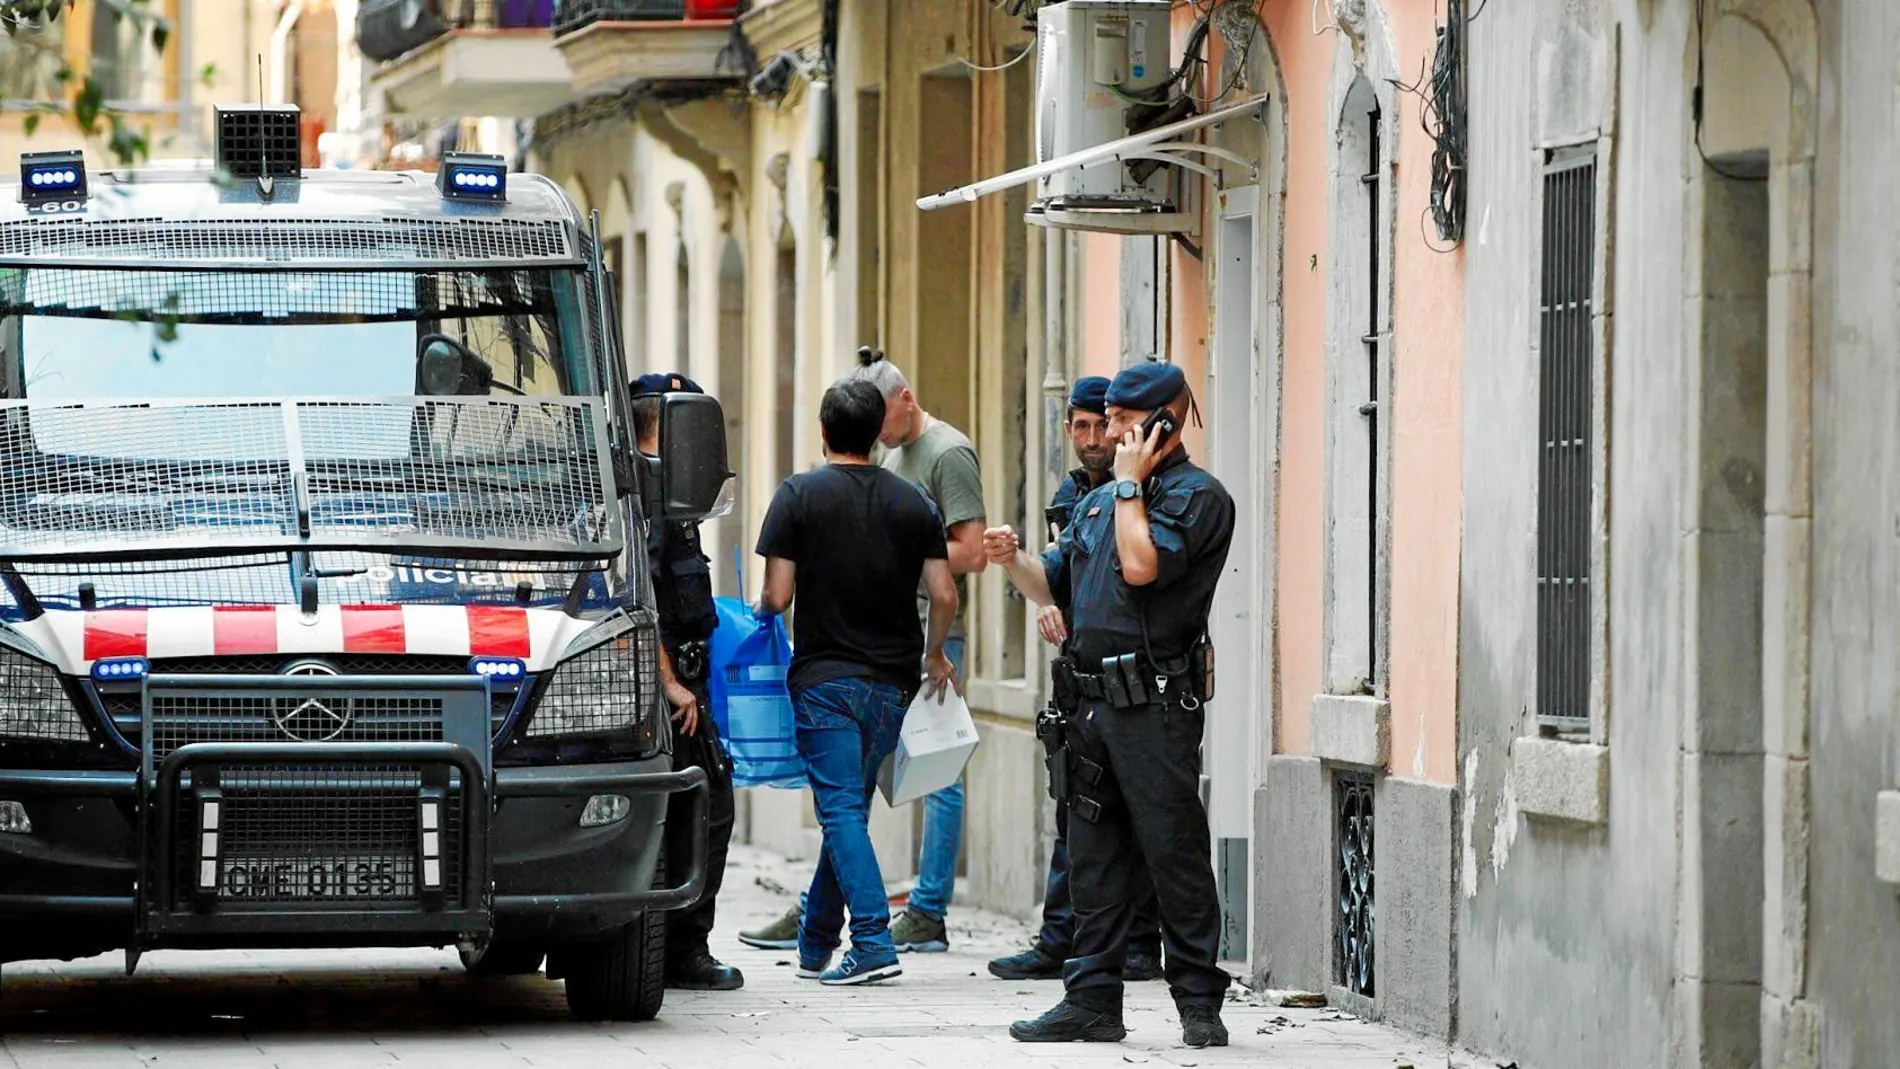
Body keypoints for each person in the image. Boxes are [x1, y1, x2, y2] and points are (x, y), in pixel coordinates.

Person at [983, 362, 1235, 1049]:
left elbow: (1141, 566)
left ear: (1165, 420)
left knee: (1172, 851)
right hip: (1088, 706)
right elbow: (1053, 584)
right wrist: (1013, 561)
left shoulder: (1196, 496)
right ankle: (1091, 997)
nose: (1114, 433)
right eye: (1112, 420)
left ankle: (1197, 1001)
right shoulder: (1097, 504)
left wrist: (1128, 485)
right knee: (1091, 855)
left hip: (1152, 707)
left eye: (1126, 421)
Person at [738, 348, 986, 955]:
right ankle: (817, 937)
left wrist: (760, 613)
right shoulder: (912, 504)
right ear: (878, 435)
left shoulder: (797, 496)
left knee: (841, 809)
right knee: (849, 804)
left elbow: (776, 594)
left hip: (825, 678)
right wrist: (933, 655)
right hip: (894, 681)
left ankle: (872, 940)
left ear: (823, 433)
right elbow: (945, 593)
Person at [987, 376, 1166, 985]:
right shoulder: (1073, 498)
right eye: (1083, 427)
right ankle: (1061, 940)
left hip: (1139, 684)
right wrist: (1027, 574)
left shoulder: (1155, 491)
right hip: (1081, 679)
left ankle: (1140, 946)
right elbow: (1056, 573)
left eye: (1104, 425)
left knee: (1140, 820)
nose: (1095, 440)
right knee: (1077, 811)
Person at [629, 373, 744, 992]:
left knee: (696, 812)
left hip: (687, 680)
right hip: (669, 687)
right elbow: (637, 600)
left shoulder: (667, 495)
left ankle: (678, 945)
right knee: (704, 812)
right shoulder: (645, 502)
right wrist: (671, 684)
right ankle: (682, 948)